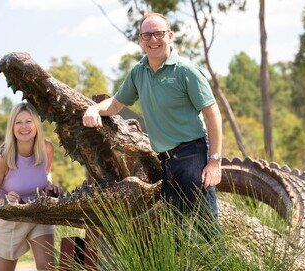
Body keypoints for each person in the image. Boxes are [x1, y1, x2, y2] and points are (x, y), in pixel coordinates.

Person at [82, 13, 222, 223]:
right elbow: (117, 103)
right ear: (140, 39)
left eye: (158, 34)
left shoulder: (186, 71)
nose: (153, 40)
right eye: (147, 35)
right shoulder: (139, 72)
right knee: (175, 232)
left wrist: (214, 162)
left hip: (192, 155)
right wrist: (94, 109)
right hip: (166, 161)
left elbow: (212, 114)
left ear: (170, 36)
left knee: (207, 227)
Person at [0, 102, 62, 271]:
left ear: (36, 124)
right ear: (12, 127)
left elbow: (46, 173)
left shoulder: (46, 148)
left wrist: (49, 186)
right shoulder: (3, 157)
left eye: (28, 121)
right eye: (18, 122)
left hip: (39, 213)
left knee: (47, 268)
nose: (24, 127)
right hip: (11, 218)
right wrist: (5, 200)